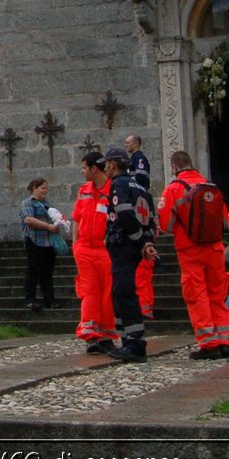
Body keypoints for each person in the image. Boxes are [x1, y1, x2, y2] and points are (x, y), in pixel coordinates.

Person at [157, 150, 229, 360]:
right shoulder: (210, 186)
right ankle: (224, 339)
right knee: (217, 294)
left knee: (196, 295)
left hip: (189, 249)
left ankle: (209, 343)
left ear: (174, 167)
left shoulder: (173, 189)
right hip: (215, 247)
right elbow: (226, 219)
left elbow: (166, 224)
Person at [101, 147, 157, 364]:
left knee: (124, 292)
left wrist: (140, 240)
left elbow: (124, 214)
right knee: (120, 291)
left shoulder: (119, 185)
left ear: (113, 164)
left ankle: (135, 343)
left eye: (106, 164)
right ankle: (127, 340)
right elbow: (151, 216)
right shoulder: (139, 186)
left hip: (124, 244)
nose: (104, 167)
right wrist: (147, 240)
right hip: (134, 245)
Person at [71, 151, 117, 354]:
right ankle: (90, 335)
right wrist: (75, 245)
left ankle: (106, 335)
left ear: (94, 169)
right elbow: (77, 218)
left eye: (84, 168)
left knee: (107, 292)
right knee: (89, 291)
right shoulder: (84, 190)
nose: (82, 172)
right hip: (84, 248)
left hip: (104, 249)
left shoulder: (113, 190)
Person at [123, 134, 156, 318]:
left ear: (136, 143)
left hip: (139, 207)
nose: (126, 145)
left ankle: (144, 308)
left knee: (142, 270)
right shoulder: (133, 160)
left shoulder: (139, 159)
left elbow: (141, 179)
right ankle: (144, 307)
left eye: (128, 142)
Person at [18, 178, 60, 312]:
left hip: (48, 242)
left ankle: (49, 299)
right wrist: (48, 226)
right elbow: (29, 219)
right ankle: (30, 300)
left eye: (46, 188)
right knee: (33, 271)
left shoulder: (47, 204)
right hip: (34, 240)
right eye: (43, 188)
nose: (45, 191)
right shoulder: (27, 203)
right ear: (34, 188)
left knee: (47, 273)